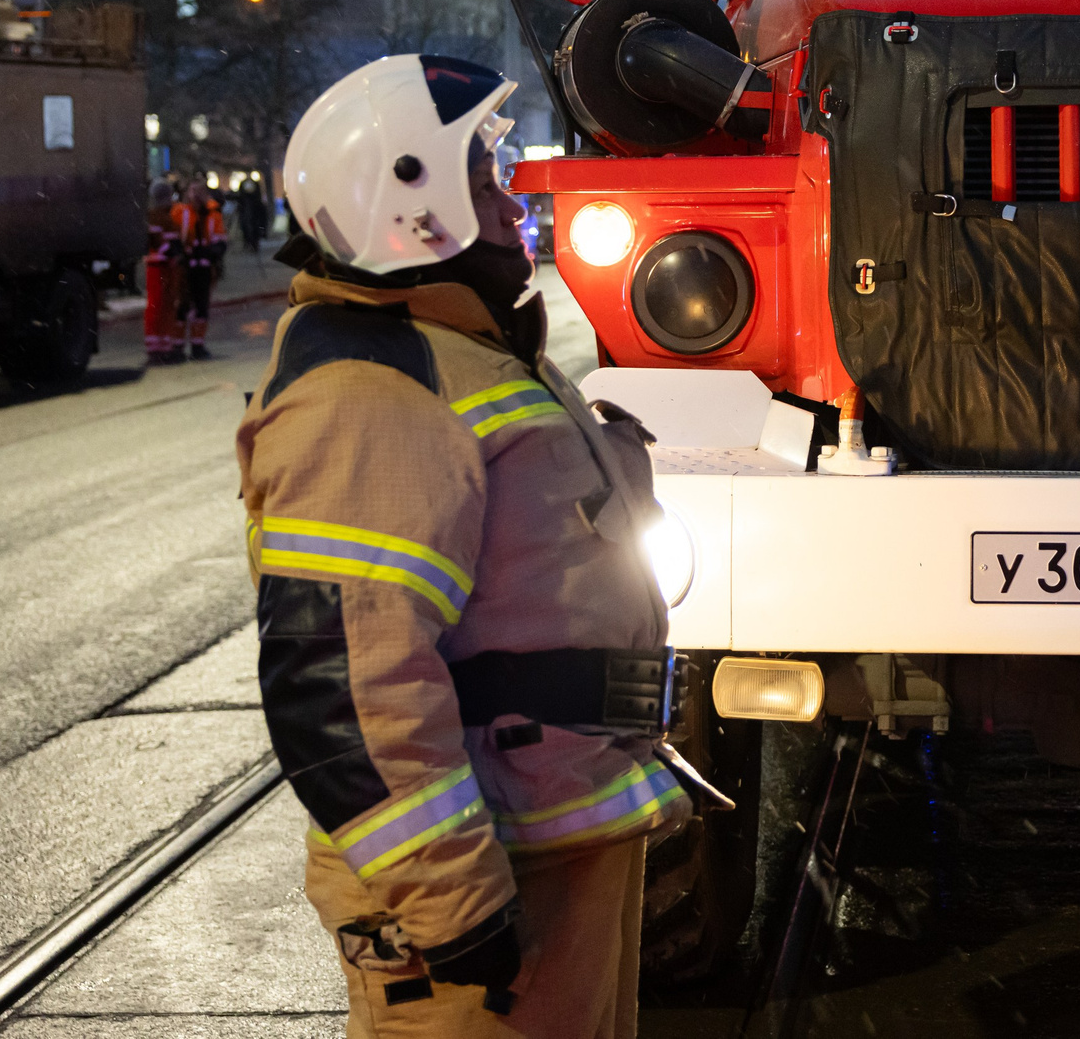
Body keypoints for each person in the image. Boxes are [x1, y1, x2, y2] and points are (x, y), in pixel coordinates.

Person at [244, 54, 690, 1037]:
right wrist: (456, 911)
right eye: (483, 178)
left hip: (547, 831)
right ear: (414, 200)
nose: (510, 195)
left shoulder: (456, 351)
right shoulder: (371, 391)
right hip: (486, 879)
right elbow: (345, 687)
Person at [179, 181, 227, 360]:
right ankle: (177, 347)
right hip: (185, 266)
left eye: (199, 192)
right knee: (182, 306)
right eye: (193, 191)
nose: (196, 196)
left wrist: (212, 252)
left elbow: (220, 240)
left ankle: (197, 346)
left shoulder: (213, 214)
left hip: (204, 266)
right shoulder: (181, 213)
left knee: (201, 307)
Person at [144, 179, 186, 366]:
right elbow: (156, 241)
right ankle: (156, 347)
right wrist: (173, 254)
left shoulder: (165, 216)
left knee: (166, 304)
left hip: (166, 266)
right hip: (158, 266)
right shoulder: (156, 216)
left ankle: (163, 346)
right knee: (158, 305)